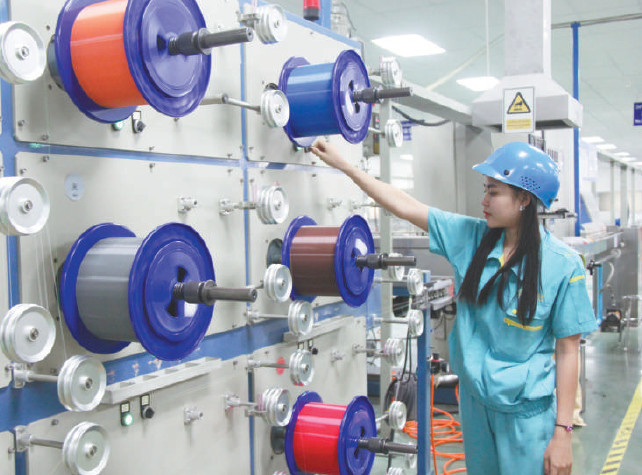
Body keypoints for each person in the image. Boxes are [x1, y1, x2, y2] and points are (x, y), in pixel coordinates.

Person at [309, 140, 597, 475]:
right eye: (485, 189)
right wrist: (347, 167)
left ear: (524, 200)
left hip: (526, 414)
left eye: (494, 192)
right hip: (475, 405)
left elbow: (567, 351)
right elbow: (405, 206)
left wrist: (562, 433)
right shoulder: (470, 238)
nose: (483, 200)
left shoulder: (563, 265)